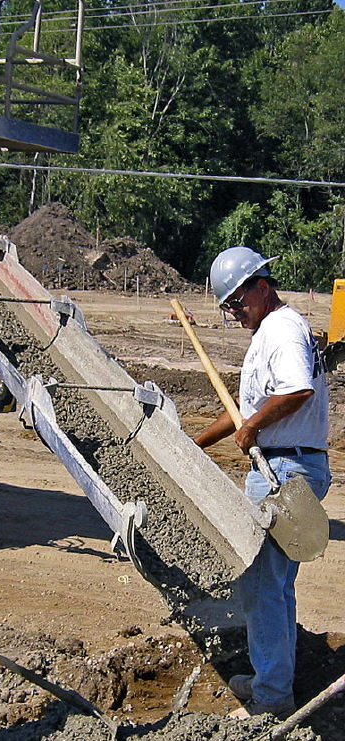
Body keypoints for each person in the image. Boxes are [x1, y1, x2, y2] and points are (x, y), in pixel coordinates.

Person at [195, 246, 331, 720]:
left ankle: (272, 697)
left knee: (261, 587)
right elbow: (241, 413)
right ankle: (270, 675)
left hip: (284, 471)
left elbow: (295, 390)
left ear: (262, 287)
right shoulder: (274, 330)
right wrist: (197, 443)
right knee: (274, 586)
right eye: (227, 306)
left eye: (237, 302)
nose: (234, 313)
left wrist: (252, 430)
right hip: (287, 464)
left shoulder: (282, 331)